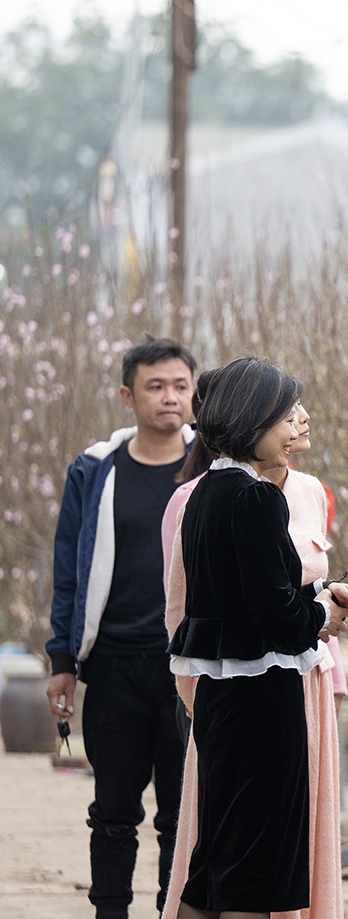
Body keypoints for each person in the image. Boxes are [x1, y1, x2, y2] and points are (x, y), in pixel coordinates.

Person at [167, 357, 348, 919]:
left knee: (214, 859)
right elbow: (278, 616)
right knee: (256, 867)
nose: (298, 427)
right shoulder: (256, 497)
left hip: (223, 697)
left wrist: (314, 597)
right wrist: (324, 609)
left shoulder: (204, 494)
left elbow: (235, 597)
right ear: (253, 421)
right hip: (263, 698)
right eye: (285, 417)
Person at [46, 336, 197, 919]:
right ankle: (109, 910)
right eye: (155, 386)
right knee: (112, 811)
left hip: (185, 668)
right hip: (111, 667)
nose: (169, 398)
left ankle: (171, 910)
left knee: (181, 815)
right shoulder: (94, 471)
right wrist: (62, 661)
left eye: (180, 386)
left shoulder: (209, 468)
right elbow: (70, 572)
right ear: (127, 395)